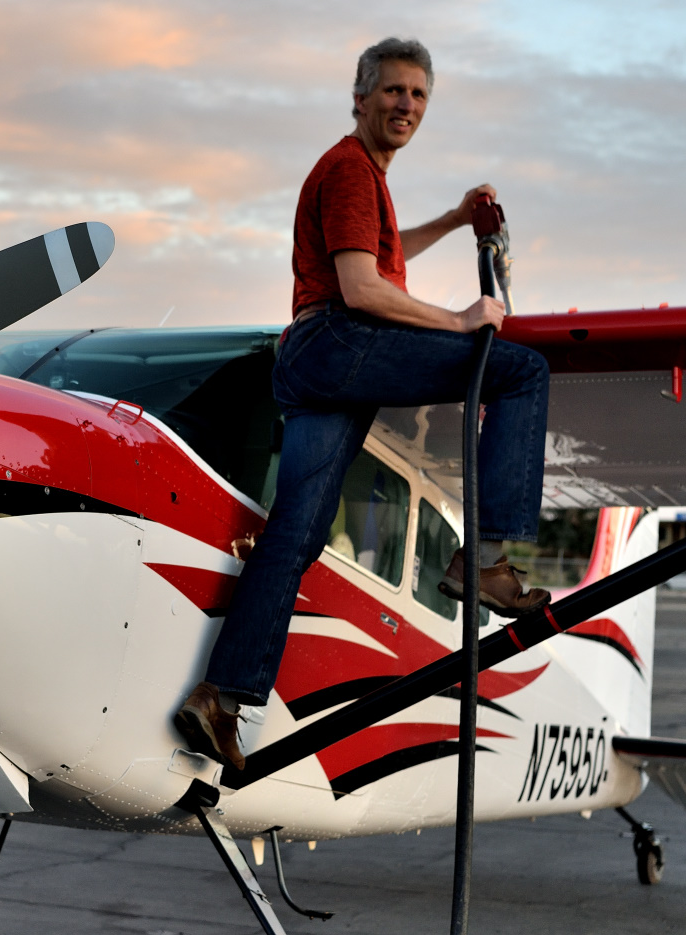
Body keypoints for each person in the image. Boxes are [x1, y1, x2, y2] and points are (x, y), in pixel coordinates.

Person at [175, 36, 553, 771]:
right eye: (393, 90)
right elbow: (362, 288)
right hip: (338, 342)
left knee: (295, 536)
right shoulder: (351, 168)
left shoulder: (361, 178)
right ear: (360, 98)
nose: (406, 104)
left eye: (418, 94)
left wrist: (453, 219)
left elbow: (383, 253)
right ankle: (484, 559)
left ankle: (221, 697)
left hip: (313, 361)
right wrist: (459, 321)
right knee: (521, 373)